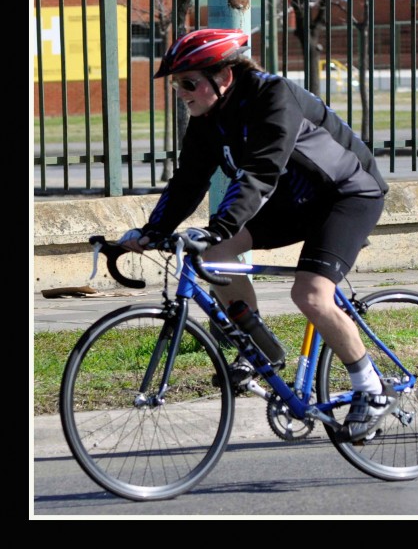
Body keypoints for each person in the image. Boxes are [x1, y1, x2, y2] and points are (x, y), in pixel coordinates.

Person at [118, 28, 391, 442]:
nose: (182, 92)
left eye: (189, 82)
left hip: (345, 195)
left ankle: (371, 388)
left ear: (223, 76)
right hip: (292, 203)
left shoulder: (274, 96)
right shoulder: (207, 119)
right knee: (213, 259)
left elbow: (260, 174)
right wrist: (151, 231)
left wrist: (217, 229)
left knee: (311, 294)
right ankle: (261, 349)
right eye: (177, 85)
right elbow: (188, 180)